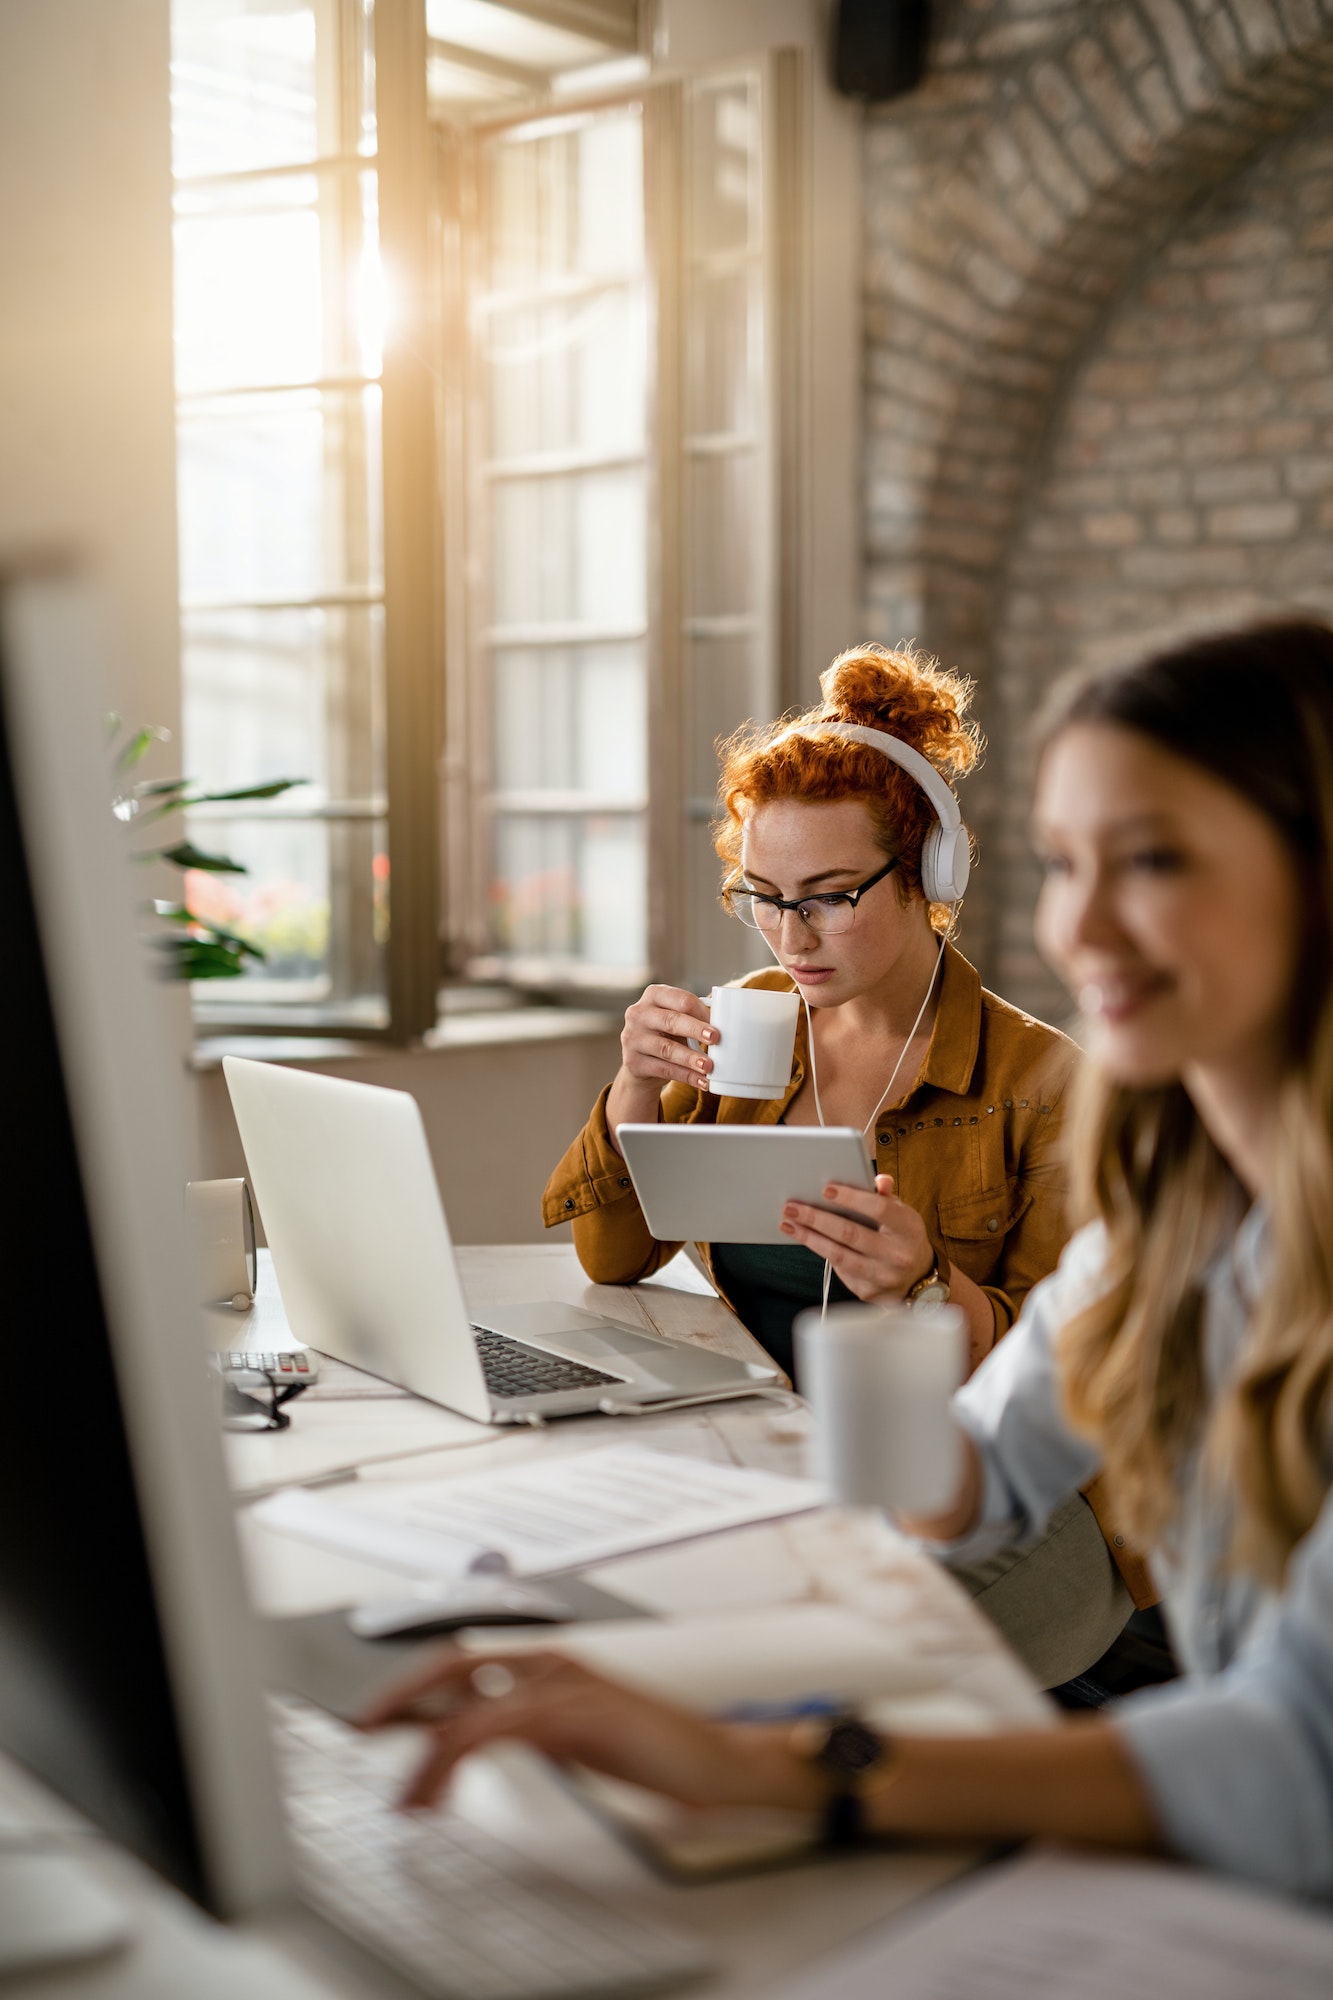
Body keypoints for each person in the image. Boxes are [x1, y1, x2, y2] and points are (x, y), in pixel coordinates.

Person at [369, 620, 1333, 1896]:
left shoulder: (1067, 1102)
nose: (1081, 922)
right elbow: (975, 1476)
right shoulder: (1177, 1213)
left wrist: (775, 1753)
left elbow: (1292, 1760)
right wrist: (678, 1541)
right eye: (1060, 861)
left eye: (1150, 859)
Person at [561, 642, 1145, 1688]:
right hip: (795, 1457)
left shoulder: (1047, 1085)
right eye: (763, 895)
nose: (790, 934)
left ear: (927, 872)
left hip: (1024, 1491)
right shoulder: (747, 1025)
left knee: (845, 1673)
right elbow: (612, 1258)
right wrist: (633, 1092)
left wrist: (928, 1287)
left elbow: (1079, 1393)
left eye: (828, 895)